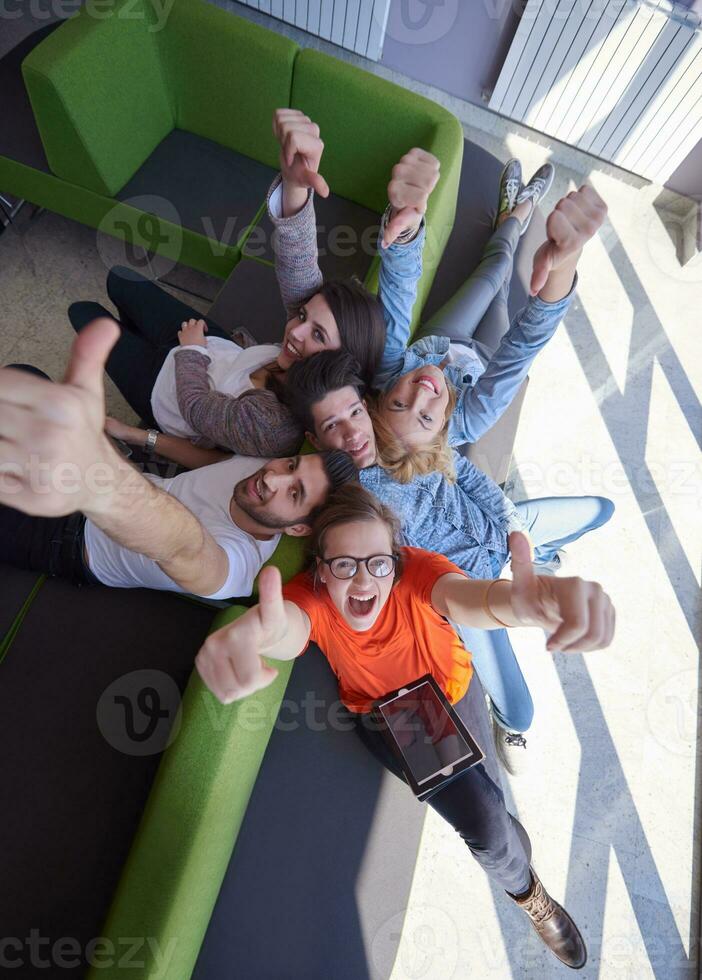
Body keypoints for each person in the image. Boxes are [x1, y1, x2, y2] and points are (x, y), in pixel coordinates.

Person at [196, 484, 616, 969]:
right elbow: (288, 627)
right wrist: (255, 632)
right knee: (485, 824)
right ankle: (528, 894)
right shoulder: (309, 598)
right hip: (397, 720)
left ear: (395, 562)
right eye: (343, 564)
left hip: (455, 692)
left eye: (377, 562)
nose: (362, 580)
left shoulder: (417, 569)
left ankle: (508, 846)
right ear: (321, 569)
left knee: (494, 812)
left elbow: (467, 598)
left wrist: (514, 607)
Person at [280, 348, 614, 754]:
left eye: (354, 413)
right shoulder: (349, 502)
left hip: (499, 534)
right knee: (521, 714)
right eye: (333, 426)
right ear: (316, 441)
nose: (352, 434)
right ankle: (509, 726)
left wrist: (517, 535)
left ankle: (545, 551)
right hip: (465, 585)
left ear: (368, 407)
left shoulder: (406, 428)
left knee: (601, 510)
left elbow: (470, 478)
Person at [67, 109, 436, 465]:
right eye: (304, 315)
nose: (295, 328)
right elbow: (299, 263)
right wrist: (293, 183)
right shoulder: (303, 351)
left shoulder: (275, 426)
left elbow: (198, 410)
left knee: (84, 316)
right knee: (121, 280)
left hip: (169, 390)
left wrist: (192, 353)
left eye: (318, 334)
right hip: (210, 345)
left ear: (341, 366)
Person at [0, 321, 356, 599]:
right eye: (291, 466)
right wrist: (133, 435)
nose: (273, 478)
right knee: (25, 377)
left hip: (66, 541)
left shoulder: (235, 566)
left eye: (294, 493)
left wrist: (99, 481)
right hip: (118, 476)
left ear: (297, 528)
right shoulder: (260, 470)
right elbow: (210, 463)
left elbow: (184, 548)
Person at [371, 165, 609, 478]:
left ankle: (517, 214)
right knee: (502, 292)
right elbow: (522, 348)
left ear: (385, 396)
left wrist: (404, 228)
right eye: (426, 418)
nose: (421, 394)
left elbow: (396, 298)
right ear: (442, 430)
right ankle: (516, 214)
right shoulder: (471, 418)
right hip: (487, 354)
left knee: (497, 267)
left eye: (399, 404)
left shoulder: (386, 375)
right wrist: (565, 265)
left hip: (445, 338)